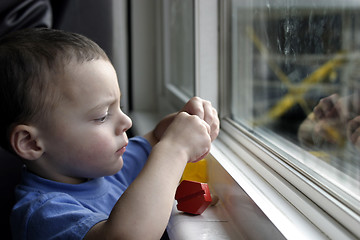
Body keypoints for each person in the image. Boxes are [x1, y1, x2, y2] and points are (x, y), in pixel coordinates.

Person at [0, 28, 220, 240]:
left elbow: (155, 139)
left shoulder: (102, 167)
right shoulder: (44, 213)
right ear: (30, 142)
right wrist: (175, 149)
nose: (127, 121)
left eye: (119, 106)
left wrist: (187, 119)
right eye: (103, 115)